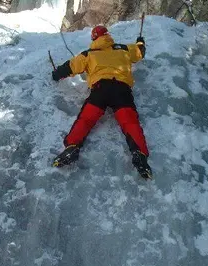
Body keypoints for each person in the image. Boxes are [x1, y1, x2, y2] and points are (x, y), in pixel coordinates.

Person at [51, 25, 152, 179]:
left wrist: (56, 74)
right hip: (122, 90)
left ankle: (72, 146)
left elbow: (70, 67)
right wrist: (140, 42)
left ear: (94, 38)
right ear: (107, 36)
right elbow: (140, 52)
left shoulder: (89, 54)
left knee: (86, 119)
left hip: (101, 90)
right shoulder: (124, 49)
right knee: (130, 122)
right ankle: (140, 154)